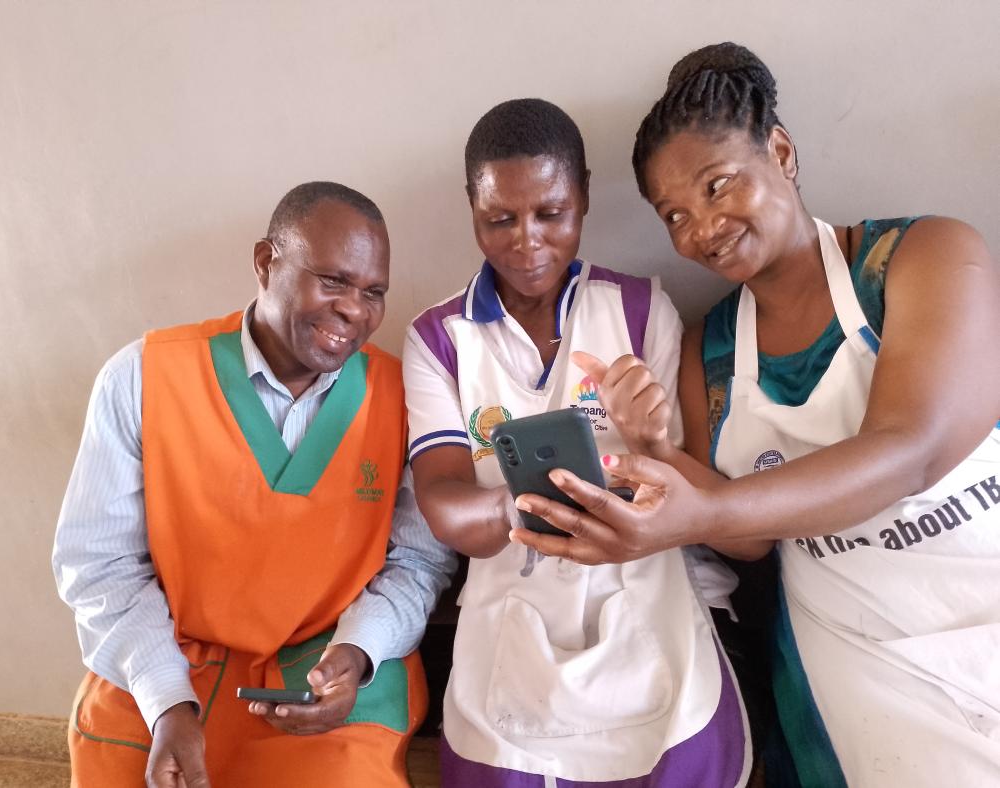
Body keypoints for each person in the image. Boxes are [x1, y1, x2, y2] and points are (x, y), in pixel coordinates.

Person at [510, 43, 1000, 786]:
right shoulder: (708, 351)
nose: (701, 227)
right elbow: (748, 541)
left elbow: (912, 449)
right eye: (674, 214)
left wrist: (704, 511)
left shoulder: (922, 257)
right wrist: (652, 446)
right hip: (853, 650)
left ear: (780, 150)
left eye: (717, 185)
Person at [52, 182, 456, 788]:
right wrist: (168, 702)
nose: (355, 310)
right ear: (267, 263)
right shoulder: (142, 378)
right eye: (333, 281)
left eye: (374, 293)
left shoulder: (405, 401)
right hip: (166, 661)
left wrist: (357, 655)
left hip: (335, 671)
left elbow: (419, 563)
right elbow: (101, 566)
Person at [403, 98, 750, 786]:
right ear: (471, 207)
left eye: (550, 213)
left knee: (678, 751)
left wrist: (650, 438)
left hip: (644, 586)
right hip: (512, 598)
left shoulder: (639, 308)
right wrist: (523, 510)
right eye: (499, 218)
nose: (526, 240)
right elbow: (444, 506)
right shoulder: (441, 338)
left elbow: (694, 499)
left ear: (584, 196)